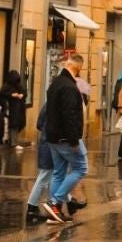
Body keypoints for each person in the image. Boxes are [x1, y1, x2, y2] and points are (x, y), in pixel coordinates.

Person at [41, 53, 88, 222]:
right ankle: (55, 202)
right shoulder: (69, 87)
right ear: (78, 68)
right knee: (81, 168)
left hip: (53, 136)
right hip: (65, 138)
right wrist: (74, 140)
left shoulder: (56, 83)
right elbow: (70, 115)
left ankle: (55, 212)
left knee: (59, 172)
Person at [26, 104, 55, 223]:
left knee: (51, 175)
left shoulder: (47, 104)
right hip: (49, 143)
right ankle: (32, 207)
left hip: (46, 142)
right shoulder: (54, 105)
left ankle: (53, 205)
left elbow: (39, 124)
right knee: (45, 175)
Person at [0, 70, 28, 150]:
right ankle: (13, 143)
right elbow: (2, 94)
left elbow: (24, 92)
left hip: (19, 108)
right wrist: (12, 95)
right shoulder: (7, 86)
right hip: (11, 108)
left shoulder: (18, 86)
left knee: (18, 124)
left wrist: (21, 95)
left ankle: (12, 141)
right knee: (13, 125)